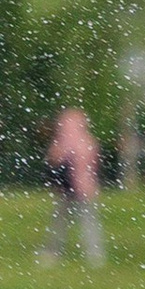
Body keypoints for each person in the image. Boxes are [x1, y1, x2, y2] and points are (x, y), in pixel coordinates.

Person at [41, 104, 106, 267]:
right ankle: (95, 254)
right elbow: (93, 166)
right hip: (84, 188)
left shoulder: (64, 143)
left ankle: (53, 251)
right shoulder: (88, 141)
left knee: (61, 222)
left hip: (68, 188)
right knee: (87, 221)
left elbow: (53, 161)